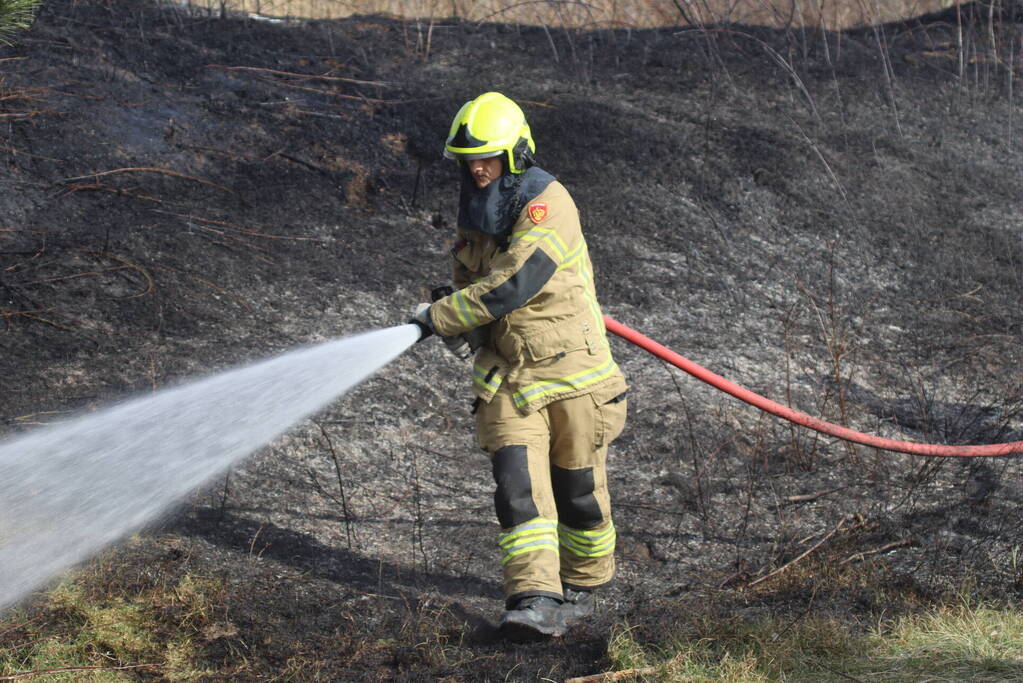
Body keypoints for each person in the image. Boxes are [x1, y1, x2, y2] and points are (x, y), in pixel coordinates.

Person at [410, 91, 628, 641]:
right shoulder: (475, 216)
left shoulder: (548, 204)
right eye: (468, 159)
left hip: (574, 373)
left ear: (516, 154)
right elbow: (475, 288)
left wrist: (443, 317)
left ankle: (584, 586)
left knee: (576, 489)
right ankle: (533, 600)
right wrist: (467, 330)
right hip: (509, 377)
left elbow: (513, 283)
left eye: (488, 156)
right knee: (516, 489)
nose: (477, 168)